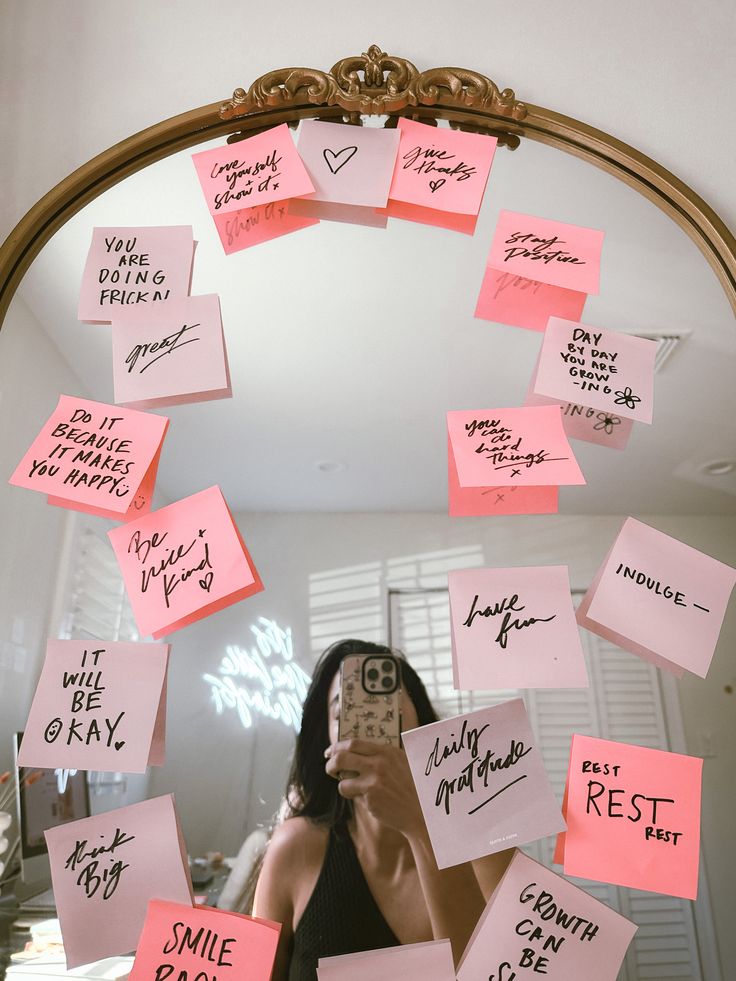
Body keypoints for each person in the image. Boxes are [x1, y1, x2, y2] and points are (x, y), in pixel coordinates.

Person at [253, 639, 514, 980]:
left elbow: (490, 974)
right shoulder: (295, 847)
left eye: (388, 707)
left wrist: (421, 825)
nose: (370, 723)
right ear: (328, 739)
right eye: (343, 711)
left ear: (421, 723)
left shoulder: (485, 849)